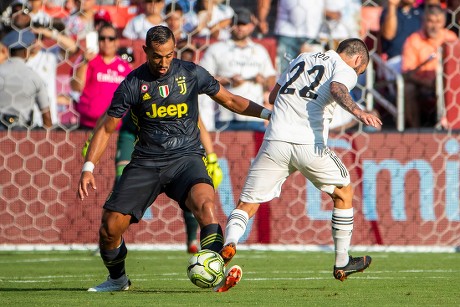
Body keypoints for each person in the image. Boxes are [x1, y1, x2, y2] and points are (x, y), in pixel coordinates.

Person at [77, 25, 271, 293]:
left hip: (186, 157)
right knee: (110, 228)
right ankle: (118, 279)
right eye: (157, 56)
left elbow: (229, 100)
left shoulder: (191, 73)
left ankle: (214, 268)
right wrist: (88, 167)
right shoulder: (133, 84)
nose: (164, 62)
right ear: (146, 51)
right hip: (147, 161)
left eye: (169, 55)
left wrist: (268, 115)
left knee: (205, 204)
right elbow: (108, 126)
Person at [219, 38, 382, 285]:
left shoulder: (301, 59)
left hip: (275, 139)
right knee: (343, 192)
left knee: (247, 204)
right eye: (360, 70)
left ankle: (229, 243)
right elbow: (339, 89)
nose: (357, 73)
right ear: (358, 59)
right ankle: (342, 262)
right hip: (309, 144)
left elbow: (273, 97)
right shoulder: (345, 68)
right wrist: (359, 112)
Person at [199, 7, 276, 132]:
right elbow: (202, 80)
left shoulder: (259, 50)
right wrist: (228, 81)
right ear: (230, 25)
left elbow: (271, 79)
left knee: (256, 150)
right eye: (236, 24)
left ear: (251, 26)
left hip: (254, 116)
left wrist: (263, 80)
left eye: (243, 24)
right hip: (225, 116)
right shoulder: (217, 49)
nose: (239, 27)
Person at [401, 4, 457, 128]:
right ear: (424, 20)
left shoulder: (451, 38)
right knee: (408, 89)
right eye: (431, 21)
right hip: (423, 84)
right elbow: (407, 73)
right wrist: (428, 83)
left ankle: (451, 127)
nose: (434, 26)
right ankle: (415, 130)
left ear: (444, 22)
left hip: (446, 85)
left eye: (438, 21)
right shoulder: (414, 40)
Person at [71, 23, 131, 129]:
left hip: (115, 127)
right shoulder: (88, 61)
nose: (106, 42)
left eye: (110, 38)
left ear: (117, 41)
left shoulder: (125, 67)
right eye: (102, 38)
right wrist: (85, 62)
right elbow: (76, 87)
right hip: (88, 125)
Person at [0, 29, 52, 130]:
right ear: (26, 52)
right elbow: (46, 115)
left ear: (7, 50)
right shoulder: (34, 77)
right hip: (22, 135)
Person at [257, 0, 325, 75]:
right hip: (287, 33)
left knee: (312, 75)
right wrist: (261, 19)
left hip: (313, 35)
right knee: (284, 74)